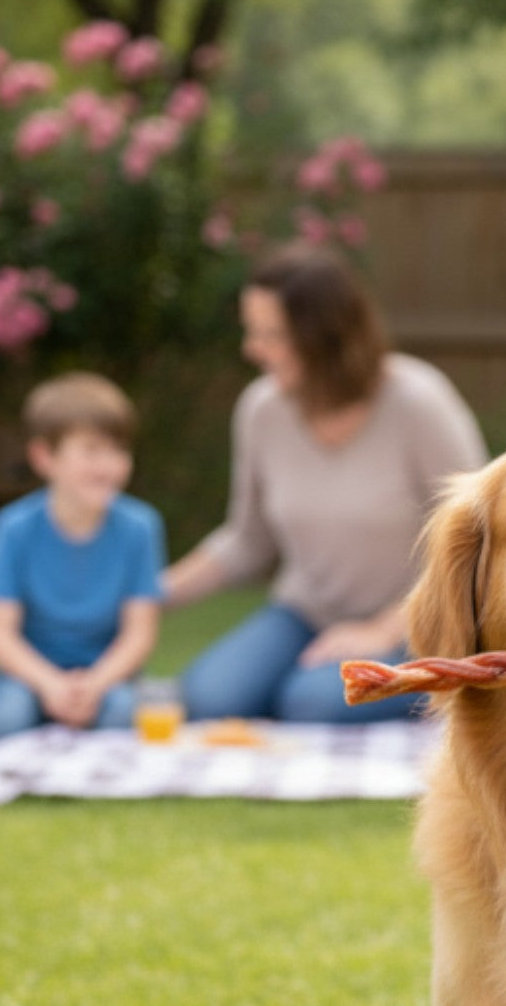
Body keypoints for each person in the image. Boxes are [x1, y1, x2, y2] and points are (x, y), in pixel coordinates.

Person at [163, 242, 488, 724]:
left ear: (324, 336)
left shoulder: (419, 402)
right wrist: (150, 594)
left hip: (414, 620)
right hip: (305, 613)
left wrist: (381, 630)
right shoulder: (261, 410)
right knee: (208, 699)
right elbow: (247, 540)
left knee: (311, 701)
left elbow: (479, 541)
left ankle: (434, 679)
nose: (251, 349)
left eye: (270, 334)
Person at [0, 372, 165, 738]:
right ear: (44, 457)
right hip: (28, 674)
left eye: (118, 450)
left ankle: (57, 714)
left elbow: (139, 634)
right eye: (92, 450)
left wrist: (94, 684)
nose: (108, 465)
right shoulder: (14, 527)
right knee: (6, 718)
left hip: (104, 675)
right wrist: (51, 684)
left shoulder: (141, 527)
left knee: (121, 715)